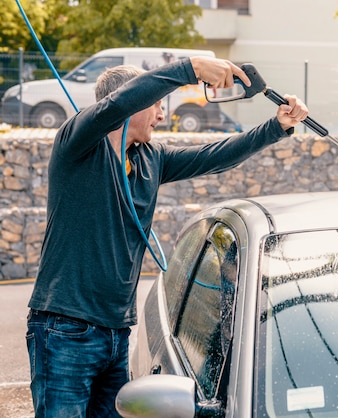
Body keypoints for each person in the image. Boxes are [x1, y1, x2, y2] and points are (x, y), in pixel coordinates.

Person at [25, 56, 308, 417]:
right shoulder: (76, 144)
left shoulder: (149, 158)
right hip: (64, 331)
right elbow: (120, 102)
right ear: (134, 103)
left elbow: (214, 156)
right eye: (157, 104)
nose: (162, 115)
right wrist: (190, 69)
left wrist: (276, 127)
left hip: (116, 333)